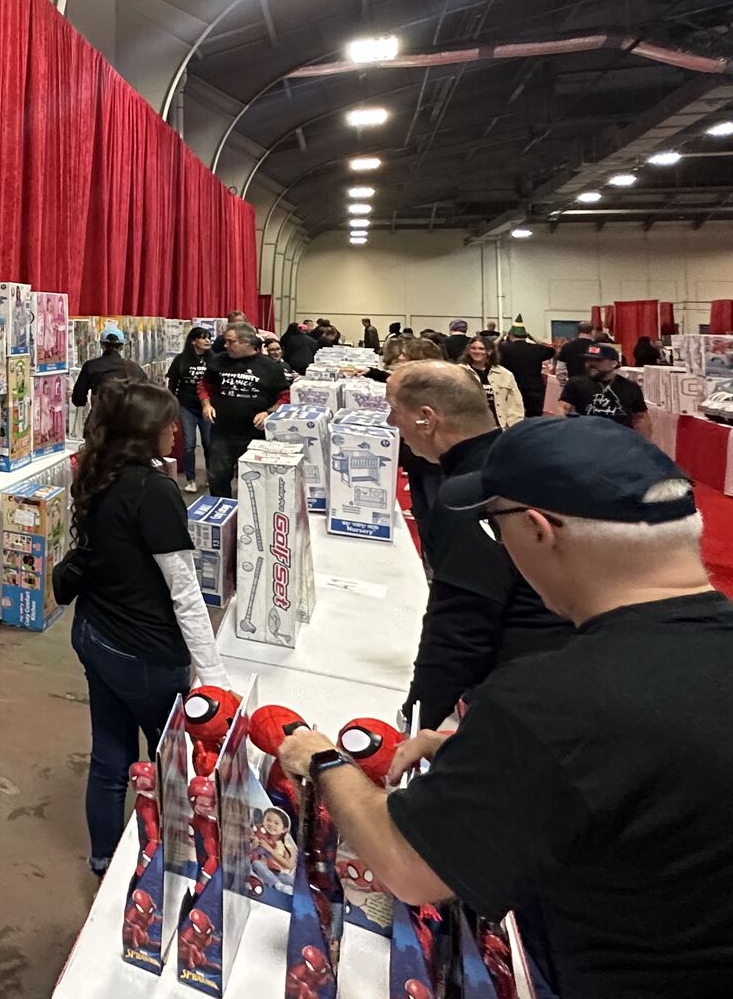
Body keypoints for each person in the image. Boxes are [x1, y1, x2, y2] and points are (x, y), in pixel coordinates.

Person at [276, 418, 733, 999]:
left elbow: (407, 866)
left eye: (495, 527)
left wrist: (324, 761)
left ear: (540, 530)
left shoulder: (552, 700)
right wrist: (496, 760)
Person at [52, 379, 227, 874]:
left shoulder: (97, 473)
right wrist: (214, 678)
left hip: (95, 632)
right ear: (142, 432)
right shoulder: (153, 490)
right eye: (166, 423)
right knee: (176, 762)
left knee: (109, 753)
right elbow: (184, 590)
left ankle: (106, 858)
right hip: (143, 648)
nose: (176, 431)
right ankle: (174, 861)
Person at [384, 363, 570, 728]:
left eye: (395, 409)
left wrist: (416, 719)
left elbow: (461, 624)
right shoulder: (516, 459)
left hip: (523, 689)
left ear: (427, 418)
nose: (391, 422)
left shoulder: (471, 494)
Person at [198, 322, 291, 498]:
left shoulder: (270, 367)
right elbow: (204, 385)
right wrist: (206, 404)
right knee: (217, 477)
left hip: (254, 435)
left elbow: (285, 396)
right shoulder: (218, 360)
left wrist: (269, 413)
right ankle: (221, 514)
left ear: (247, 342)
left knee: (252, 480)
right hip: (222, 432)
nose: (226, 346)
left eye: (231, 341)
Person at [560, 343, 648, 430]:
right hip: (586, 438)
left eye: (597, 360)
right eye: (588, 360)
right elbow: (563, 411)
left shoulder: (630, 387)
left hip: (620, 440)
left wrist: (643, 442)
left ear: (613, 363)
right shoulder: (575, 383)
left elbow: (641, 419)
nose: (590, 364)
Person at [165, 327, 214, 481]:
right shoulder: (181, 359)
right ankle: (190, 479)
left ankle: (210, 476)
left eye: (208, 337)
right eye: (203, 337)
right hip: (186, 406)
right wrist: (172, 405)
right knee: (189, 443)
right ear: (193, 341)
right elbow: (172, 384)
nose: (207, 341)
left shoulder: (214, 359)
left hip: (207, 407)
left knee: (208, 443)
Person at [459, 334, 525, 429]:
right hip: (471, 428)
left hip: (499, 427)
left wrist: (514, 427)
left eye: (481, 349)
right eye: (473, 348)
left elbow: (515, 404)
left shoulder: (505, 374)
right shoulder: (459, 372)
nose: (477, 351)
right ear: (468, 350)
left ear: (489, 351)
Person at [71, 325, 144, 408]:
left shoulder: (90, 366)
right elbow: (146, 396)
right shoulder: (134, 368)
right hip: (128, 418)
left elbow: (78, 399)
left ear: (102, 345)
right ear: (122, 347)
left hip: (99, 418)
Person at [497, 322, 551, 420]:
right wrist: (534, 339)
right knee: (534, 419)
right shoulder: (537, 349)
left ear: (510, 335)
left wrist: (501, 337)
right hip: (534, 388)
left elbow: (489, 350)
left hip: (511, 387)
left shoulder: (503, 349)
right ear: (526, 336)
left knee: (512, 417)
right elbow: (551, 350)